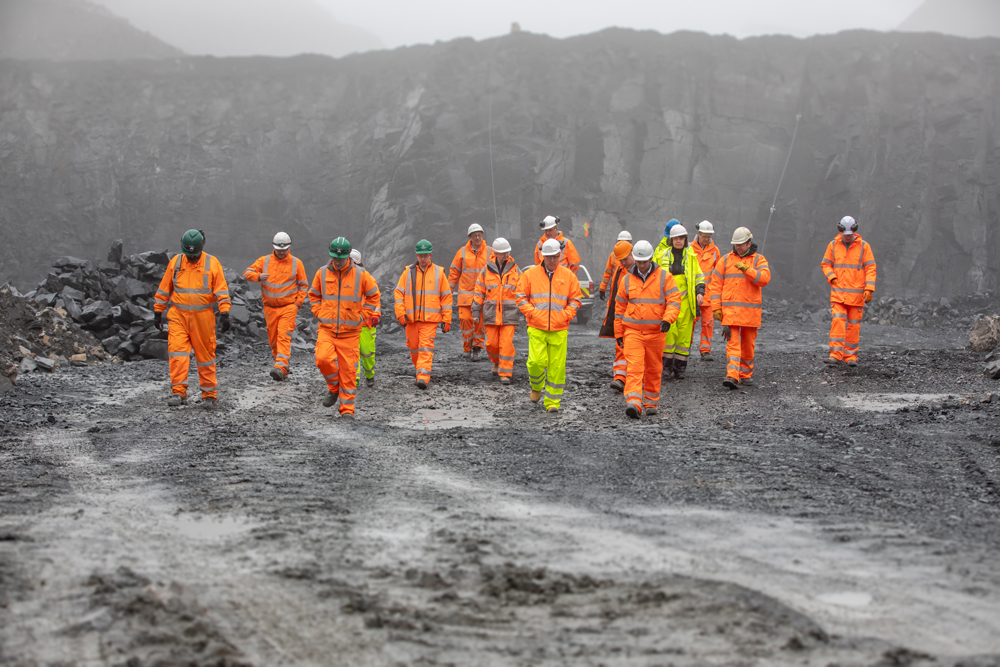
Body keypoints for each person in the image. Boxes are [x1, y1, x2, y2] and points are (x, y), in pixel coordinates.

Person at [153, 229, 231, 409]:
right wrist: (158, 311)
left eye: (195, 255)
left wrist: (224, 313)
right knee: (178, 354)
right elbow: (165, 288)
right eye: (189, 254)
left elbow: (221, 290)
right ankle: (178, 392)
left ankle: (209, 395)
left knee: (205, 357)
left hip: (203, 317)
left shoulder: (212, 263)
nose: (192, 258)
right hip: (178, 315)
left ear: (201, 248)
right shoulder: (176, 262)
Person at [309, 237, 381, 419]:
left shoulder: (361, 275)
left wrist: (363, 316)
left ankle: (347, 411)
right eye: (334, 257)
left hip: (350, 333)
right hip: (327, 329)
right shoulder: (322, 273)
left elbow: (374, 296)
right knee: (323, 359)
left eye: (341, 257)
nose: (338, 261)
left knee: (349, 372)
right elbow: (314, 295)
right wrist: (318, 311)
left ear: (348, 256)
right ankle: (334, 389)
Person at [614, 240, 681, 418]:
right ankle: (634, 403)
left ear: (651, 259)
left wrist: (668, 319)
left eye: (644, 262)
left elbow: (674, 301)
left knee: (653, 368)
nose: (641, 265)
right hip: (633, 332)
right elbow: (619, 309)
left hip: (655, 332)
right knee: (634, 368)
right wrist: (619, 333)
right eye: (638, 261)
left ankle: (651, 402)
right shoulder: (627, 279)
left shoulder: (665, 277)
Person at [515, 238, 582, 413]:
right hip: (536, 326)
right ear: (542, 256)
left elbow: (575, 300)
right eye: (549, 257)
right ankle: (536, 386)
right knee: (536, 362)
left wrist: (566, 315)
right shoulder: (530, 274)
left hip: (560, 329)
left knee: (557, 368)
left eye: (556, 257)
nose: (552, 260)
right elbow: (520, 296)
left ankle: (552, 402)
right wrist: (532, 313)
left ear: (560, 255)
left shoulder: (568, 276)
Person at [709, 227, 771, 390]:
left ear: (749, 243)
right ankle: (732, 375)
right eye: (736, 244)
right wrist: (716, 308)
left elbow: (764, 279)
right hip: (731, 313)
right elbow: (715, 285)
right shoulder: (725, 260)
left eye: (741, 244)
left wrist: (748, 271)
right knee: (732, 344)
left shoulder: (759, 260)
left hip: (750, 314)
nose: (738, 247)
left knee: (748, 345)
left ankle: (745, 375)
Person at [242, 231, 309, 382]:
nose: (281, 252)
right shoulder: (264, 261)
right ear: (274, 248)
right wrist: (258, 276)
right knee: (273, 339)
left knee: (283, 335)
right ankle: (280, 364)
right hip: (270, 308)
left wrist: (297, 304)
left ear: (289, 248)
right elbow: (247, 273)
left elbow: (303, 285)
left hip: (288, 307)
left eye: (284, 249)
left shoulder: (296, 263)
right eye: (279, 250)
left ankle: (280, 366)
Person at [394, 239, 453, 389]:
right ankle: (419, 370)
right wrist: (400, 313)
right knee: (414, 348)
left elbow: (446, 297)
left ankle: (423, 376)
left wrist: (447, 319)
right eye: (420, 255)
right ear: (416, 255)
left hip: (430, 321)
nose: (422, 258)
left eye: (425, 255)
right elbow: (399, 293)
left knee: (425, 348)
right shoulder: (408, 272)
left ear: (431, 255)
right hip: (411, 320)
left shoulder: (439, 273)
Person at [821, 216, 877, 367]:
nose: (847, 237)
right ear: (840, 232)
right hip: (838, 293)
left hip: (857, 295)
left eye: (849, 235)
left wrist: (869, 289)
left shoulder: (864, 247)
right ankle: (835, 355)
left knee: (853, 326)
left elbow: (870, 268)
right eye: (845, 235)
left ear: (854, 232)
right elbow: (826, 264)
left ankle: (850, 357)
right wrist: (831, 277)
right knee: (838, 321)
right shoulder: (833, 245)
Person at [659, 225, 705, 380]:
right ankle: (666, 367)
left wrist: (700, 292)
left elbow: (699, 276)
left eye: (681, 238)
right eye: (675, 238)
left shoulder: (691, 256)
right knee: (668, 334)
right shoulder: (662, 256)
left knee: (684, 336)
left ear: (685, 239)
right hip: (668, 302)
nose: (678, 241)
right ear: (671, 240)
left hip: (687, 302)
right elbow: (654, 276)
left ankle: (679, 369)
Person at [471, 237, 520, 384]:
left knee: (506, 344)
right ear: (495, 253)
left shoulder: (516, 270)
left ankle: (505, 373)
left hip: (509, 314)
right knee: (491, 344)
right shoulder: (486, 271)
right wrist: (475, 311)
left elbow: (523, 291)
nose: (505, 255)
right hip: (491, 313)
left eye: (507, 252)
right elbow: (479, 291)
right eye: (502, 252)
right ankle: (496, 361)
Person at [449, 223, 494, 361]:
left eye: (480, 235)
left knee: (479, 323)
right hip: (465, 295)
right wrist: (448, 291)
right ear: (470, 237)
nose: (478, 238)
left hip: (482, 295)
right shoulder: (462, 252)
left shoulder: (489, 252)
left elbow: (495, 273)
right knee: (465, 320)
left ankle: (477, 348)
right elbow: (454, 273)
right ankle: (467, 345)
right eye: (475, 236)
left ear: (483, 235)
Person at [597, 240, 634, 391]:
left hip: (637, 318)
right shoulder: (620, 270)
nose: (623, 262)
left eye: (625, 259)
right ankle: (620, 378)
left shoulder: (641, 269)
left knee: (637, 350)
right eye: (621, 260)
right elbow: (615, 297)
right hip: (622, 316)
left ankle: (634, 379)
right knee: (621, 346)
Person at [691, 221, 721, 361]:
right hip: (693, 293)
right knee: (691, 322)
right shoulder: (690, 249)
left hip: (708, 294)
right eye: (705, 236)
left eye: (709, 236)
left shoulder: (715, 251)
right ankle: (685, 348)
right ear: (699, 234)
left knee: (708, 323)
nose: (707, 239)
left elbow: (718, 273)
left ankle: (705, 349)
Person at [351, 249, 378, 387]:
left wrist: (375, 315)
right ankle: (353, 380)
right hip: (350, 325)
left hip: (367, 324)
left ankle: (369, 375)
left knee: (367, 353)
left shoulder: (368, 278)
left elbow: (375, 300)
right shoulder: (344, 279)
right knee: (352, 354)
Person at [598, 230, 633, 300]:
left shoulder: (633, 255)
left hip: (631, 287)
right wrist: (602, 288)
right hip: (616, 286)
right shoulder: (613, 255)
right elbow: (607, 273)